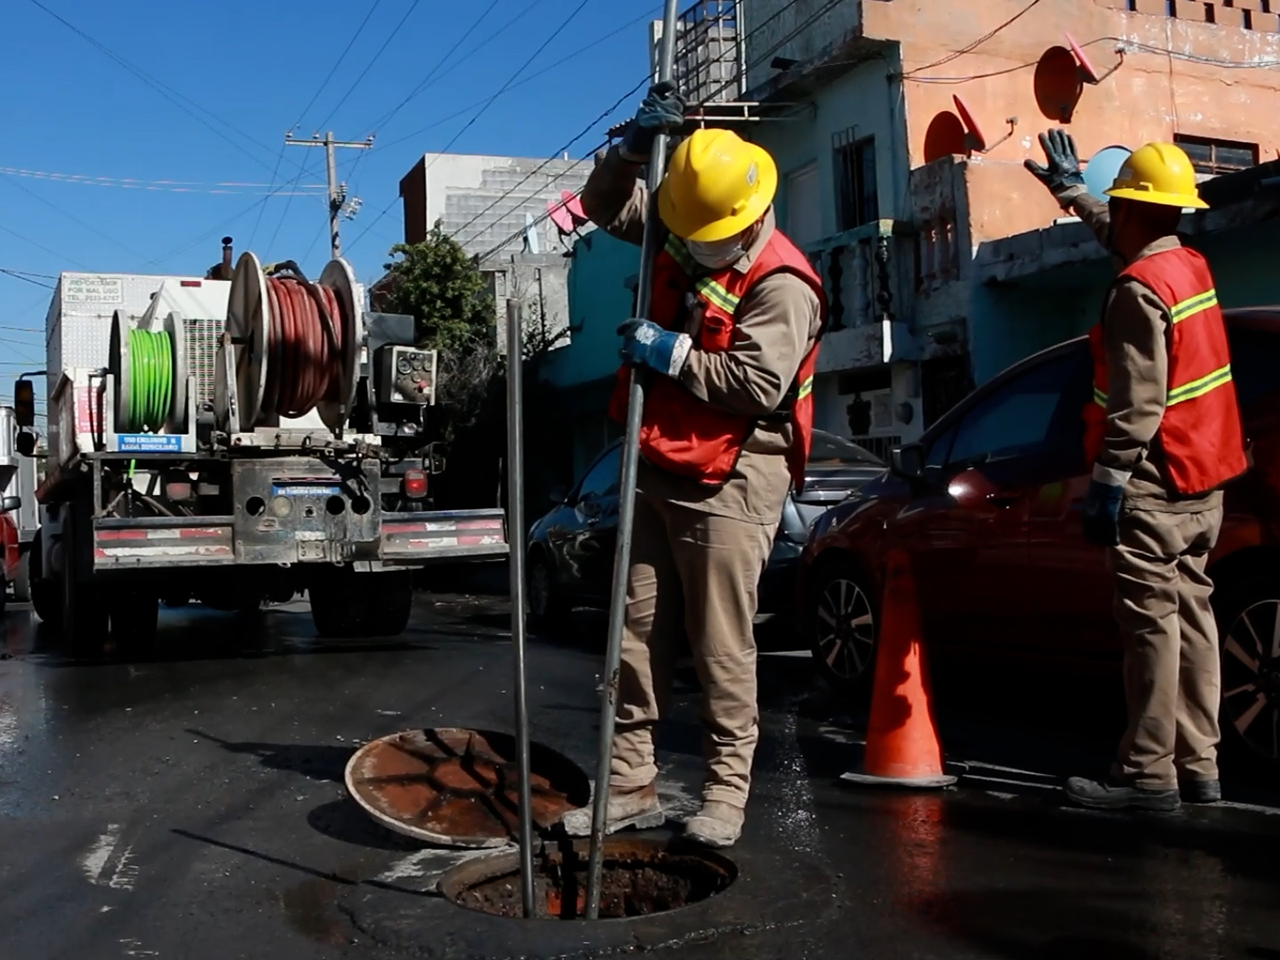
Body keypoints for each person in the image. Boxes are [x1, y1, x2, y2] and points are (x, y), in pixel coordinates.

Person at [563, 83, 826, 847]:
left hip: (736, 473)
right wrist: (623, 154)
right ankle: (628, 786)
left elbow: (755, 385)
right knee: (634, 635)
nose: (681, 243)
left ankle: (724, 794)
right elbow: (604, 208)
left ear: (742, 222)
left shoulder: (781, 282)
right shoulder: (681, 225)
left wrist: (670, 351)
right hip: (658, 461)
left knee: (720, 645)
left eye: (698, 234)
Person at [1027, 130, 1247, 811]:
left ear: (1128, 209)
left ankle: (1149, 774)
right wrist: (1076, 194)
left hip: (1152, 481)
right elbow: (1132, 237)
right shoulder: (1188, 267)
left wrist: (1109, 480)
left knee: (1150, 629)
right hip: (1205, 479)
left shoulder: (1134, 292)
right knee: (1192, 618)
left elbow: (1137, 400)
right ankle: (1199, 765)